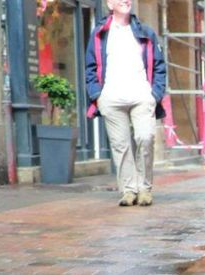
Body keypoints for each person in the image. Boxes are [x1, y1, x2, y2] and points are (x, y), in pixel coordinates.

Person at [85, 0, 166, 206]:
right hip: (111, 98)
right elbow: (90, 68)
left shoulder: (145, 32)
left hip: (141, 96)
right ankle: (129, 190)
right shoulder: (99, 34)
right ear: (110, 4)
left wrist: (154, 94)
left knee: (145, 137)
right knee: (121, 146)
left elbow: (159, 65)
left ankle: (145, 188)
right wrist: (97, 95)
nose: (126, 0)